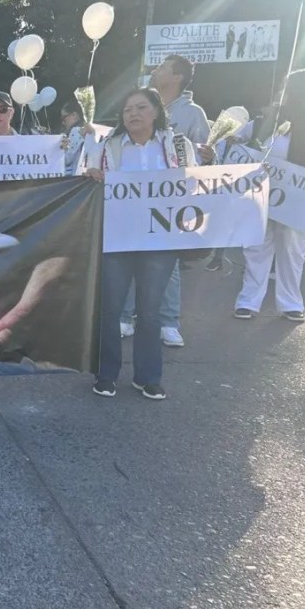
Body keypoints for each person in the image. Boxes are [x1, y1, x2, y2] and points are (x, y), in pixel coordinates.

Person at [86, 88, 197, 401]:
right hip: (117, 238)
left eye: (140, 107)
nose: (132, 114)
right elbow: (89, 180)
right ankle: (105, 374)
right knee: (110, 309)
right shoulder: (109, 146)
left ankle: (148, 376)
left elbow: (197, 182)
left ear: (156, 111)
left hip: (159, 239)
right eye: (126, 109)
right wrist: (92, 174)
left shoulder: (178, 144)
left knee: (149, 311)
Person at [123, 55, 212, 349]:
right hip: (135, 198)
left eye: (162, 68)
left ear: (177, 77)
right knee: (128, 254)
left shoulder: (193, 113)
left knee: (168, 262)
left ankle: (169, 321)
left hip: (170, 201)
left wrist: (210, 157)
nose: (155, 71)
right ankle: (126, 316)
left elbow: (203, 160)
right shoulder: (139, 104)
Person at [234, 69, 305, 323]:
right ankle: (248, 301)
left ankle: (291, 303)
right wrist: (232, 140)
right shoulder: (265, 122)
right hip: (262, 197)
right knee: (256, 247)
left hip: (298, 203)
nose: (283, 94)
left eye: (288, 89)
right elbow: (239, 140)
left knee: (293, 250)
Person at [60, 99, 89, 175]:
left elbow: (67, 159)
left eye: (64, 117)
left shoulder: (76, 131)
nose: (63, 122)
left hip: (76, 176)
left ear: (74, 115)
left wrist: (61, 149)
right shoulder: (87, 131)